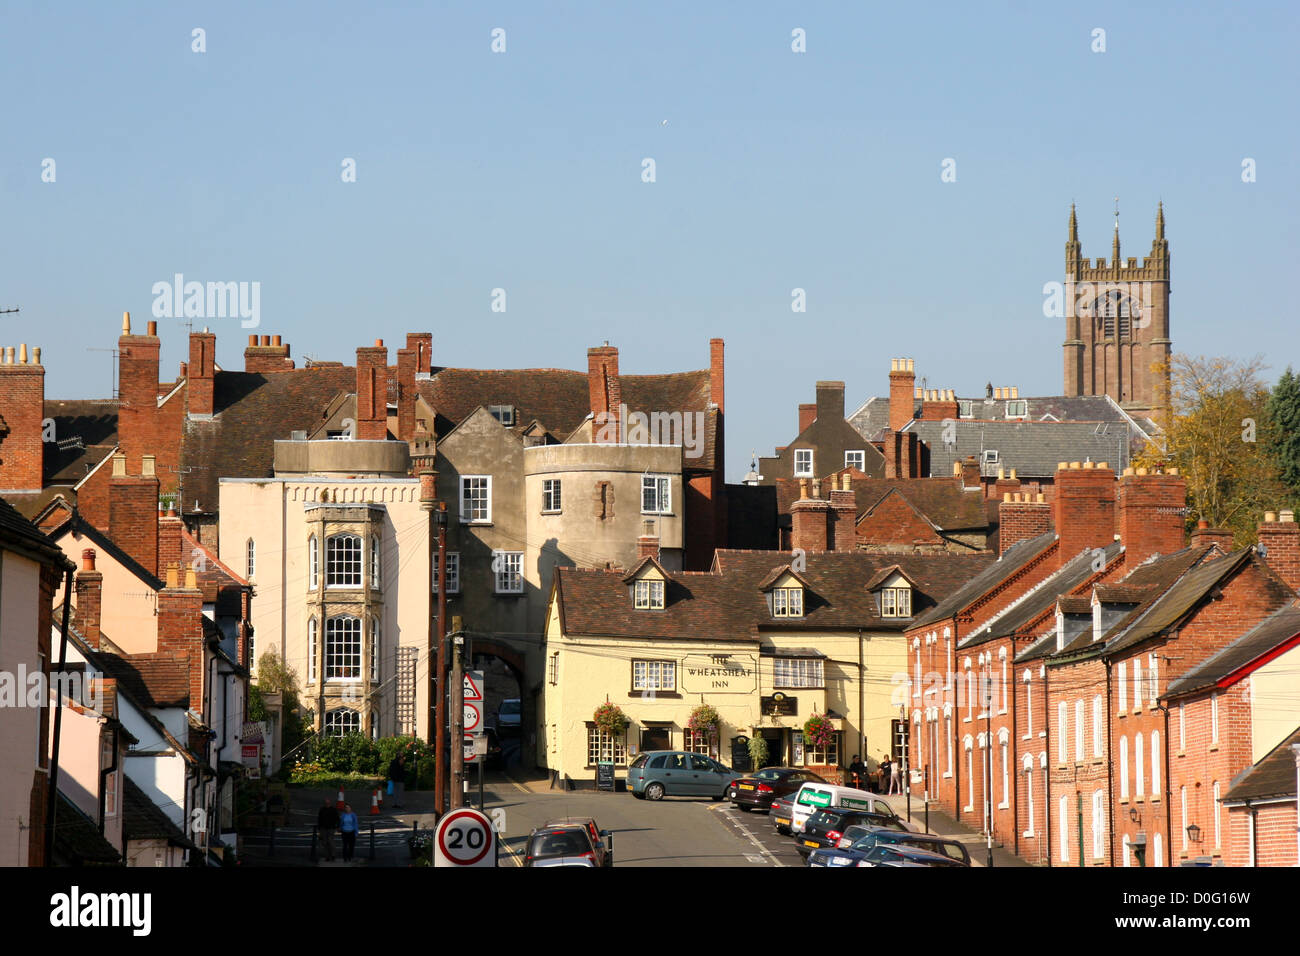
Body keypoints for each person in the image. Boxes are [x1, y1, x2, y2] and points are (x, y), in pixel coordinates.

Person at [317, 797, 340, 862]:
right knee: (324, 843)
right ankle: (327, 856)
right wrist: (319, 829)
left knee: (330, 841)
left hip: (331, 828)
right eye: (326, 802)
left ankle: (333, 855)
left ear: (330, 803)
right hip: (323, 828)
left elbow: (337, 818)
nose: (327, 803)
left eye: (328, 802)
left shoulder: (333, 810)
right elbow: (319, 819)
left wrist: (337, 826)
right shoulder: (322, 809)